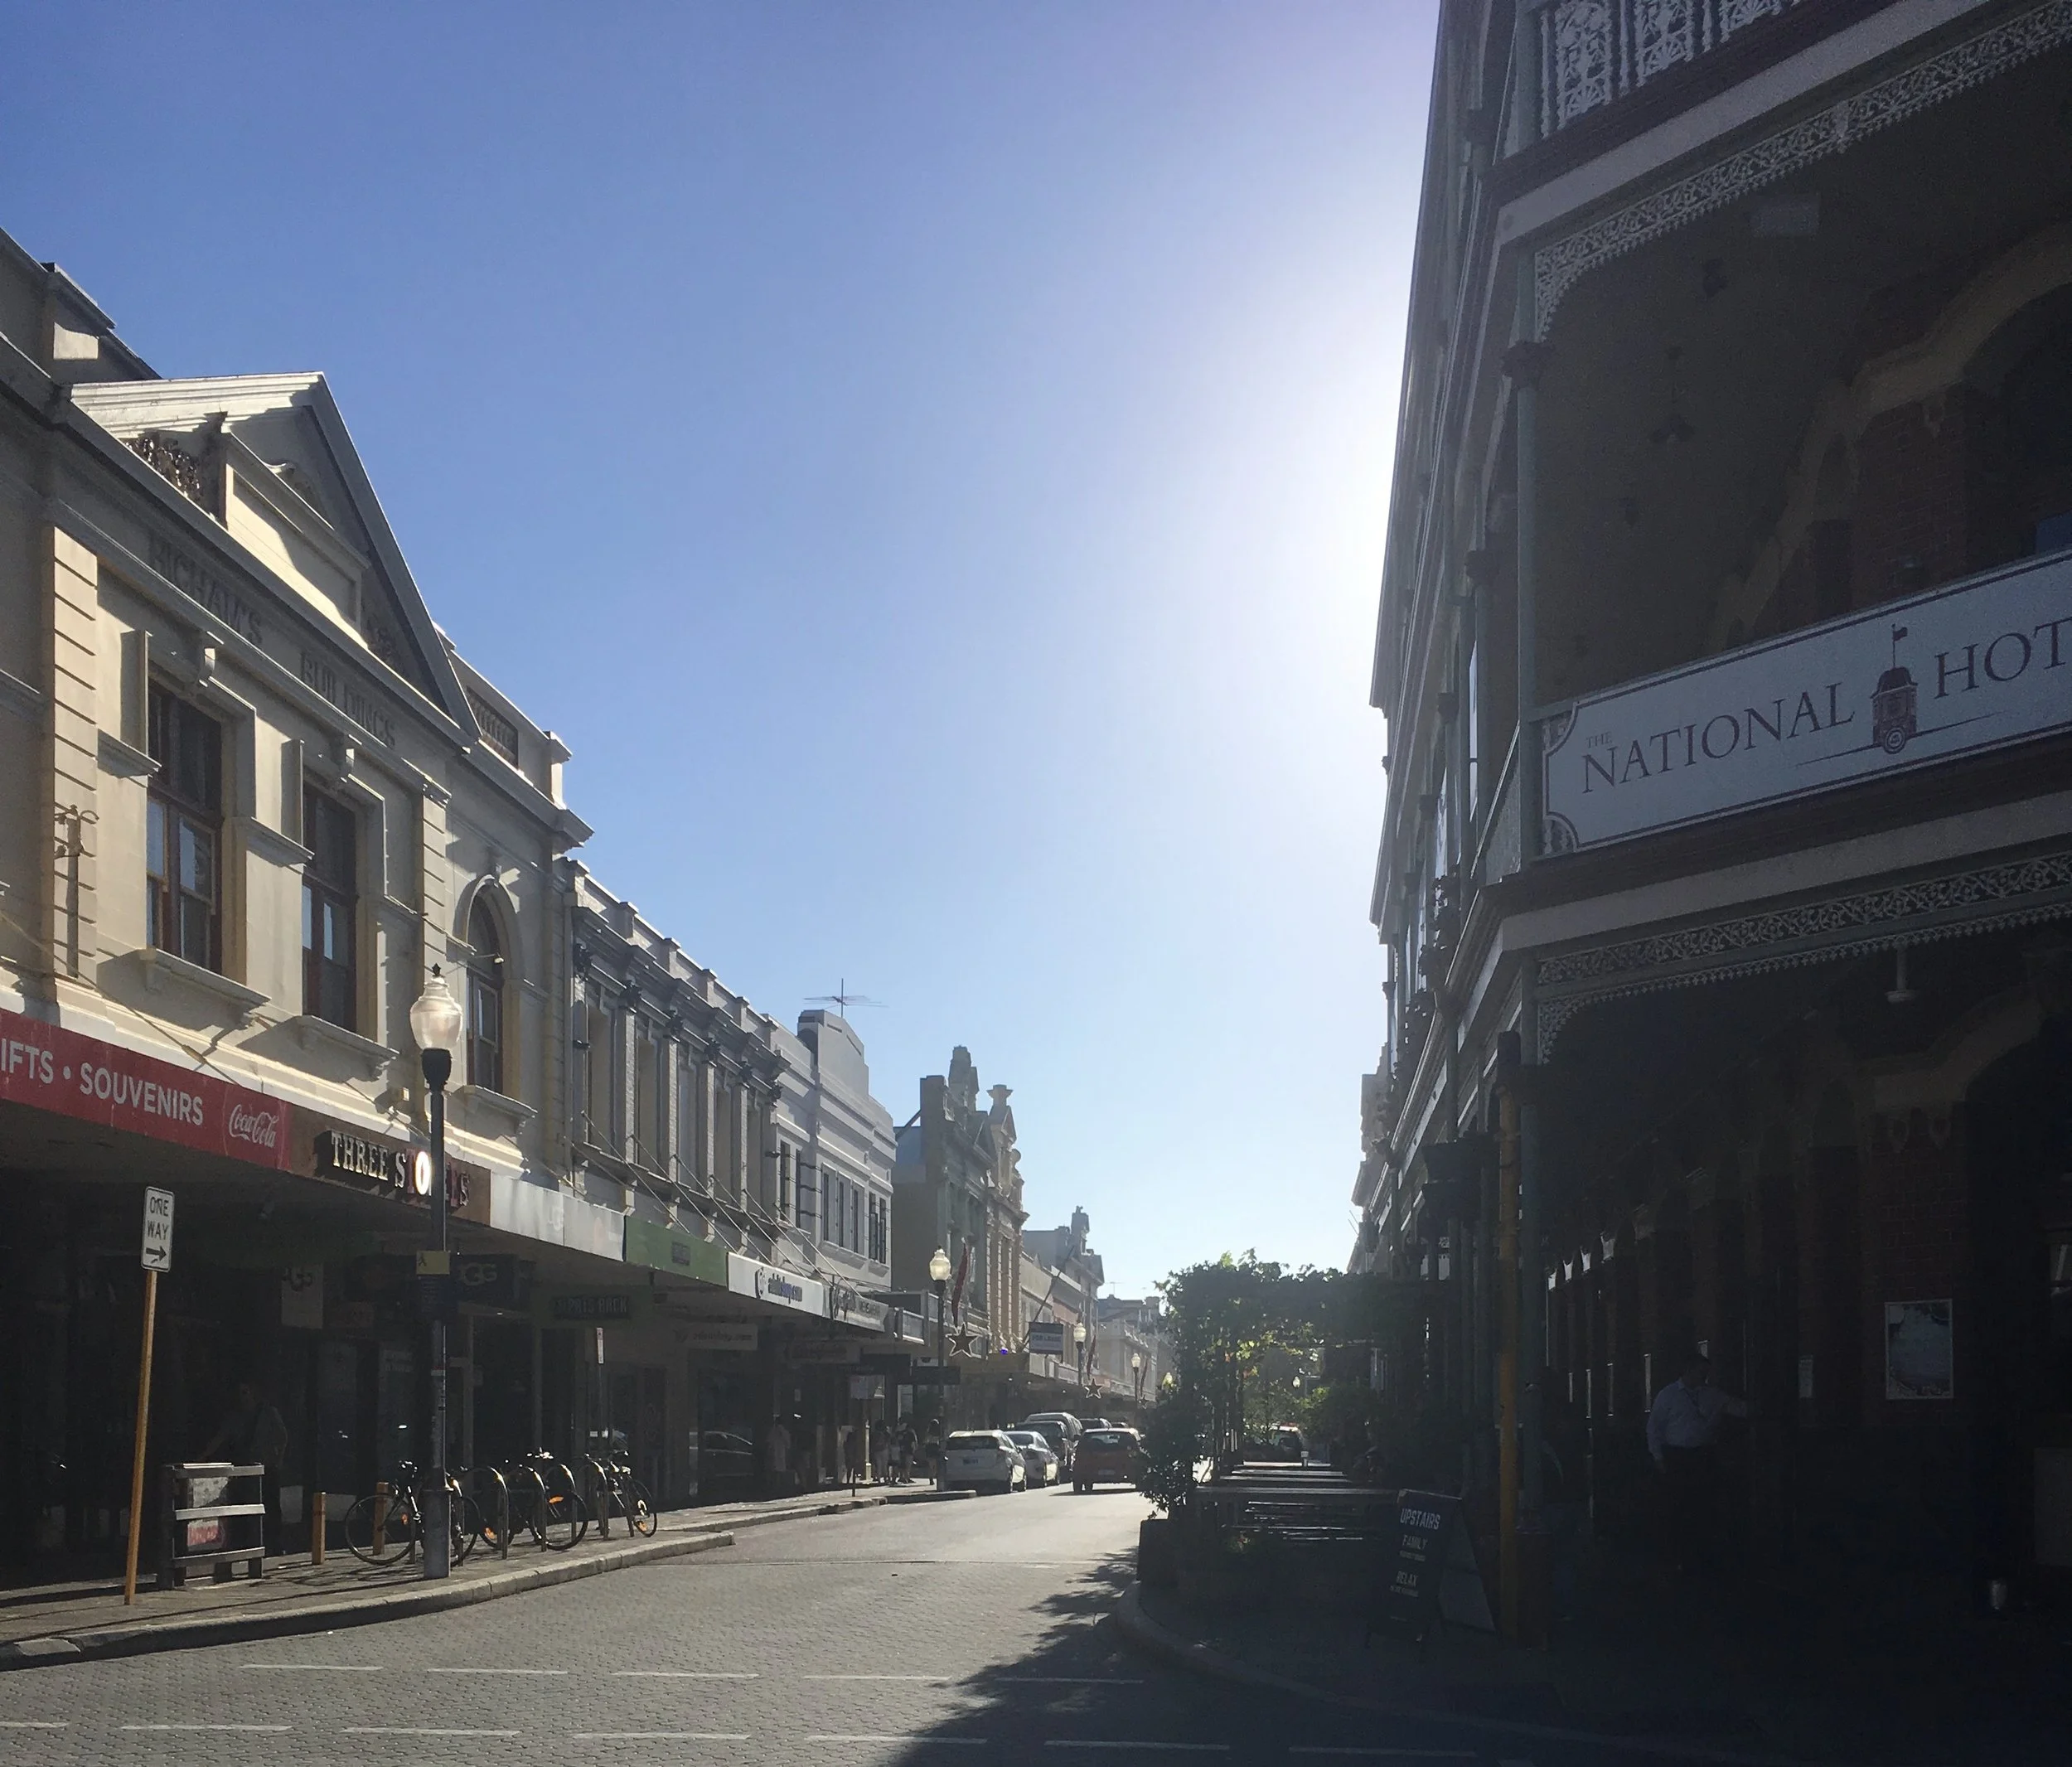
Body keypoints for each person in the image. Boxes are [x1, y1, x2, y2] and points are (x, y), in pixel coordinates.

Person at [1646, 1353, 1750, 1575]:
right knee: (1678, 1509)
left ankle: (1700, 1557)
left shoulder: (1712, 1395)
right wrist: (1659, 1457)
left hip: (1703, 1457)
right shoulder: (1668, 1396)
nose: (1704, 1376)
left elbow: (1738, 1408)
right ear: (1688, 1370)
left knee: (1703, 1508)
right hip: (1678, 1457)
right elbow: (1654, 1428)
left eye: (1706, 1373)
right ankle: (1677, 1557)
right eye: (1701, 1372)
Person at [206, 1379, 288, 1555]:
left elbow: (282, 1437)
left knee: (271, 1506)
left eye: (245, 1392)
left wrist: (278, 1460)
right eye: (239, 1393)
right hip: (246, 1469)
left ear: (254, 1393)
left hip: (268, 1469)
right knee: (248, 1505)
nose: (242, 1397)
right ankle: (252, 1543)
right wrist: (202, 1458)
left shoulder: (268, 1413)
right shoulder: (235, 1417)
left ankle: (275, 1543)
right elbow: (221, 1438)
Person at [766, 1414, 792, 1498]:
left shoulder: (776, 1431)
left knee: (777, 1470)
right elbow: (788, 1443)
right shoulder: (780, 1431)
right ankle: (777, 1487)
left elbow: (769, 1442)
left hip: (779, 1452)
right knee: (778, 1470)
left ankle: (778, 1487)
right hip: (779, 1452)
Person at [844, 1423, 865, 1489]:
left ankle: (849, 1481)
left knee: (850, 1470)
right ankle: (850, 1481)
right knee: (851, 1469)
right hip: (851, 1457)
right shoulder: (853, 1444)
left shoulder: (848, 1444)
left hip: (850, 1457)